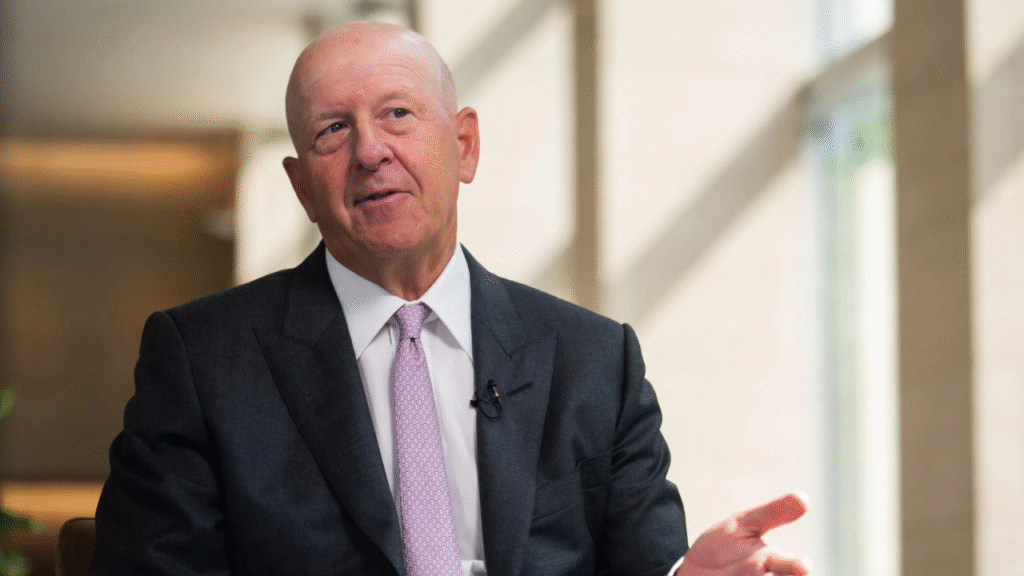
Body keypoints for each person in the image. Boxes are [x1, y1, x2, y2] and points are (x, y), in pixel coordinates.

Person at [91, 20, 810, 576]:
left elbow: (642, 564)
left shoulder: (595, 360)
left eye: (398, 114)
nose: (369, 151)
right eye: (333, 130)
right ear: (302, 185)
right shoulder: (202, 361)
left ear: (464, 146)